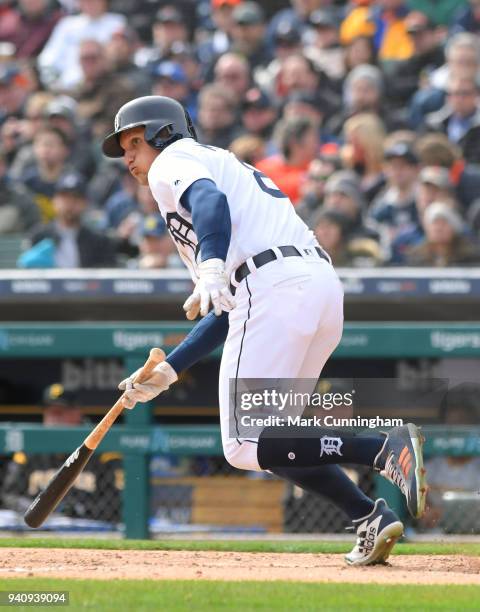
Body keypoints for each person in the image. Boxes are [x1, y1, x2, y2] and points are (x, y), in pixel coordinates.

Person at [102, 95, 427, 566]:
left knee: (243, 445)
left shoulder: (172, 161)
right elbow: (228, 308)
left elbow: (210, 206)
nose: (128, 156)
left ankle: (380, 448)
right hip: (312, 288)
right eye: (123, 148)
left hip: (273, 287)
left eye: (135, 142)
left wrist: (211, 265)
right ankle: (367, 516)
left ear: (163, 134)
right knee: (276, 442)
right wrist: (170, 370)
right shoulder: (216, 168)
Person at [0, 383, 122, 522]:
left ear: (77, 412)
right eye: (49, 411)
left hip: (89, 525)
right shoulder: (30, 450)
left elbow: (118, 499)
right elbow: (10, 494)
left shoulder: (101, 449)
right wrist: (40, 511)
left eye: (60, 412)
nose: (53, 417)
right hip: (41, 525)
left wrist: (82, 511)